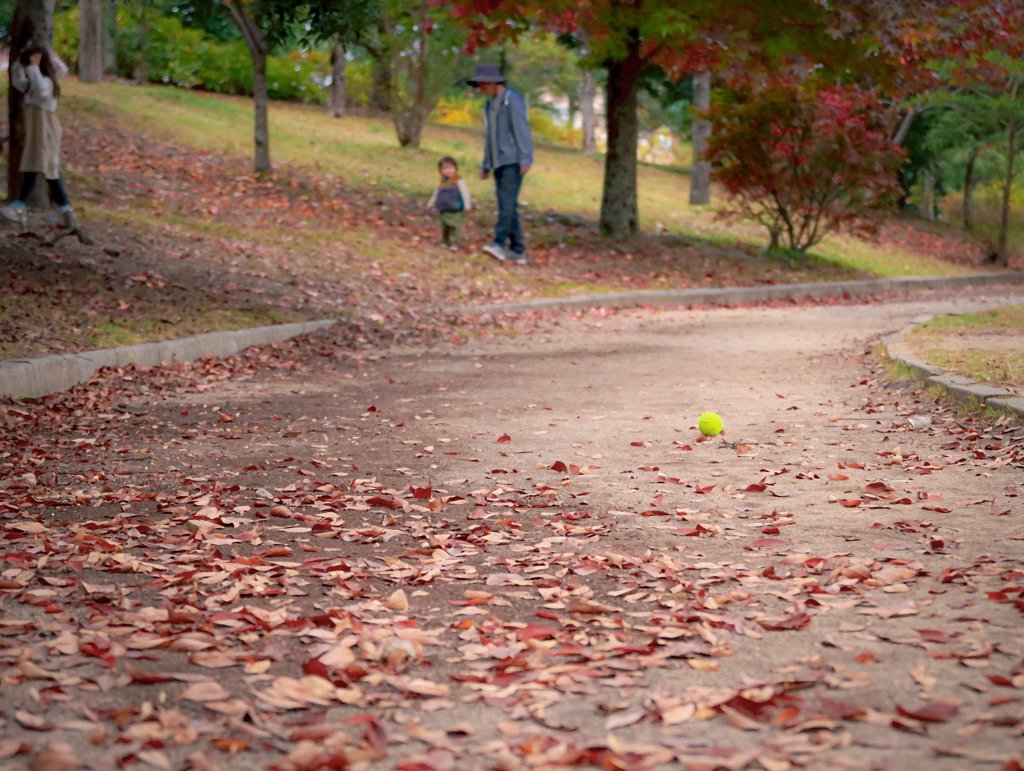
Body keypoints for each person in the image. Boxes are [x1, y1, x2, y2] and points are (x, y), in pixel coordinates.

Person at [1, 47, 76, 230]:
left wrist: (39, 63)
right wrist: (20, 60)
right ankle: (64, 208)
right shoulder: (32, 84)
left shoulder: (46, 82)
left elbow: (43, 90)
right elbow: (19, 81)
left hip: (45, 128)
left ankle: (20, 206)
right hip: (38, 127)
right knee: (44, 166)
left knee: (37, 164)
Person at [468, 63, 532, 266]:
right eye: (479, 85)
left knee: (507, 203)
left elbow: (521, 129)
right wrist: (486, 164)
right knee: (507, 205)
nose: (482, 89)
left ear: (494, 83)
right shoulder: (489, 106)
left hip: (513, 160)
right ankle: (518, 250)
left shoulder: (511, 99)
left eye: (484, 84)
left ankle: (498, 242)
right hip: (498, 162)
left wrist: (525, 158)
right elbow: (490, 136)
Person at [427, 156, 472, 250]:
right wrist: (430, 203)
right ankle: (446, 241)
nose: (448, 171)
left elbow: (465, 194)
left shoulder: (458, 181)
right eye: (445, 168)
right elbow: (436, 193)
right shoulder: (442, 182)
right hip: (444, 208)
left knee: (454, 225)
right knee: (445, 225)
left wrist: (467, 205)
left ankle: (455, 242)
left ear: (455, 168)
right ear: (440, 171)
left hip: (455, 208)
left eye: (451, 168)